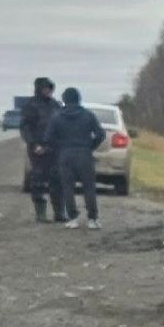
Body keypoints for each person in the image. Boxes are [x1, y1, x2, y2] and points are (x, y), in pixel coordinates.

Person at [44, 87, 106, 229]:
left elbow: (48, 138)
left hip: (65, 154)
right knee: (89, 187)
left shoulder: (57, 116)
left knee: (67, 187)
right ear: (79, 99)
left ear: (64, 100)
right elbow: (100, 134)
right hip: (84, 153)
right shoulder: (88, 115)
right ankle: (92, 219)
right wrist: (90, 146)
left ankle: (73, 218)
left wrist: (59, 148)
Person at [20, 77, 65, 223]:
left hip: (55, 148)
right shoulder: (31, 106)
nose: (47, 91)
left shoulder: (56, 105)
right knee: (38, 180)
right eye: (45, 88)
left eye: (49, 88)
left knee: (57, 179)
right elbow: (25, 128)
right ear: (39, 89)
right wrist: (34, 145)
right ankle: (41, 213)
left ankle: (59, 212)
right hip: (38, 149)